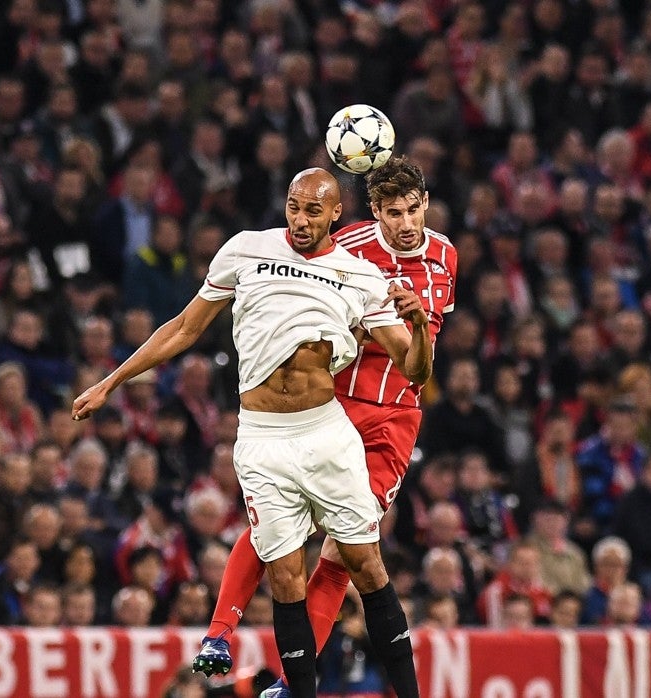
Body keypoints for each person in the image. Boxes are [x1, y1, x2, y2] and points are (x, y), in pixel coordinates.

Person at [72, 167, 432, 698]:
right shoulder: (245, 249)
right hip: (262, 438)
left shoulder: (362, 277)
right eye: (294, 207)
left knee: (365, 564)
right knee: (285, 578)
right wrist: (111, 382)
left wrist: (419, 324)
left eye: (314, 211)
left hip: (325, 432)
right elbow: (184, 327)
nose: (301, 220)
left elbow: (415, 369)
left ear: (336, 213)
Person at [190, 157, 457, 695]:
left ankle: (291, 683)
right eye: (392, 213)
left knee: (346, 550)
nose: (405, 224)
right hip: (335, 406)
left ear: (426, 204)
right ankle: (220, 633)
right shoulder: (349, 247)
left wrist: (411, 330)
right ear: (373, 213)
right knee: (277, 526)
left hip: (394, 417)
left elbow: (423, 351)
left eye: (413, 211)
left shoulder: (447, 256)